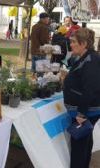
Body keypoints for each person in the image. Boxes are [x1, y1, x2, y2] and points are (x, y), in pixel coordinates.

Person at [63, 28, 100, 168]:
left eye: (73, 42)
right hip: (85, 111)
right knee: (85, 144)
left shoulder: (91, 60)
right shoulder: (86, 57)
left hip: (86, 112)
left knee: (79, 148)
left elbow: (90, 89)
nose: (70, 45)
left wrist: (81, 113)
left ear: (83, 43)